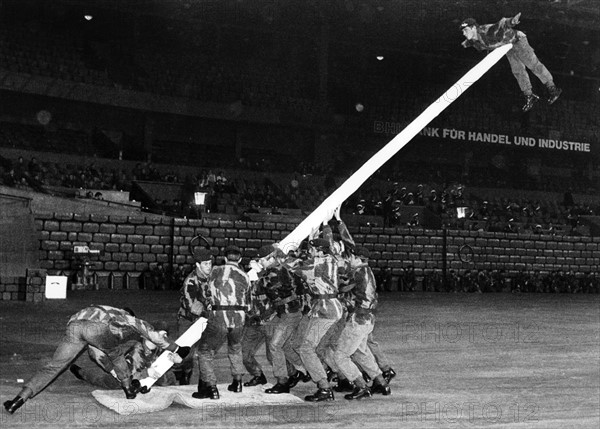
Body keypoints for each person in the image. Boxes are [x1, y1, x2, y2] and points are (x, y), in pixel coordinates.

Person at [3, 306, 189, 414]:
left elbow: (94, 352)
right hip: (99, 330)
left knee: (53, 367)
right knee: (115, 354)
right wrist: (178, 348)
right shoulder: (131, 321)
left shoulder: (110, 313)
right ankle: (128, 390)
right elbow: (155, 337)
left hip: (75, 324)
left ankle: (17, 401)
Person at [460, 13, 562, 112]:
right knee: (517, 70)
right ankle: (529, 95)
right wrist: (466, 43)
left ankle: (552, 89)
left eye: (465, 30)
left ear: (473, 28)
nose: (464, 33)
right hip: (507, 47)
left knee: (532, 64)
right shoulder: (473, 40)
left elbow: (501, 24)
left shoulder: (486, 31)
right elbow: (473, 42)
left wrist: (511, 21)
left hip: (517, 40)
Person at [330, 246, 391, 400]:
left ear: (356, 258)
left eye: (349, 257)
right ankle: (381, 382)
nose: (348, 259)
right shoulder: (367, 271)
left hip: (359, 319)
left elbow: (342, 288)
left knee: (341, 355)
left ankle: (361, 385)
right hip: (368, 319)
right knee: (360, 351)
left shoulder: (358, 273)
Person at [193, 245, 251, 400]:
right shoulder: (245, 277)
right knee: (235, 348)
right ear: (239, 259)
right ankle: (237, 382)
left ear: (225, 258)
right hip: (239, 318)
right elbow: (249, 303)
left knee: (205, 352)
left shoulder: (215, 271)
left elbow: (206, 292)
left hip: (219, 317)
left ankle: (211, 388)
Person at [69, 321, 177, 389]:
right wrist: (146, 372)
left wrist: (176, 361)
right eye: (161, 335)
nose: (164, 338)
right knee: (101, 380)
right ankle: (80, 372)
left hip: (141, 375)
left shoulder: (163, 347)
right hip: (120, 377)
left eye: (165, 335)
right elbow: (128, 377)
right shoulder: (137, 352)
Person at [174, 248, 213, 385]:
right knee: (186, 353)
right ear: (197, 264)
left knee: (205, 351)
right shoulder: (191, 281)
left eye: (210, 263)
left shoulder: (212, 278)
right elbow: (194, 307)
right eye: (205, 264)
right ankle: (182, 375)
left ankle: (202, 381)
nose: (209, 267)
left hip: (204, 321)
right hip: (188, 321)